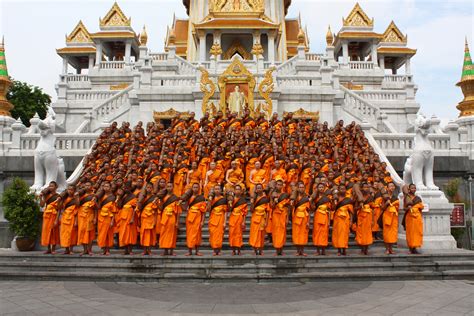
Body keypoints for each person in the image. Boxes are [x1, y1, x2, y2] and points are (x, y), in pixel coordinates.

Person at [184, 183, 207, 256]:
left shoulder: (201, 198)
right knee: (189, 234)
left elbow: (203, 211)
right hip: (190, 218)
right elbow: (184, 208)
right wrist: (183, 200)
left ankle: (197, 251)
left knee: (197, 235)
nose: (195, 189)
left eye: (197, 187)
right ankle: (190, 251)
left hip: (198, 217)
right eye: (194, 187)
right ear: (192, 188)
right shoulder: (189, 197)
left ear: (199, 188)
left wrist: (202, 221)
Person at [159, 183, 181, 256]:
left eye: (170, 186)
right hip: (164, 217)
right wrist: (160, 202)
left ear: (173, 187)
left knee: (172, 234)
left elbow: (178, 211)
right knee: (164, 234)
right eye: (168, 186)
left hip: (172, 217)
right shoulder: (163, 197)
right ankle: (165, 251)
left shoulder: (175, 198)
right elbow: (160, 208)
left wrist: (177, 222)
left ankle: (171, 251)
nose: (169, 188)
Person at [270, 179, 290, 256]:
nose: (279, 186)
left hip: (283, 215)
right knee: (275, 232)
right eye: (278, 184)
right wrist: (275, 201)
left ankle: (281, 249)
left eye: (280, 185)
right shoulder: (272, 195)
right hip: (275, 215)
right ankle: (276, 250)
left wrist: (287, 218)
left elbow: (288, 207)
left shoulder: (285, 195)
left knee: (282, 232)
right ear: (275, 185)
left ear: (282, 186)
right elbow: (271, 206)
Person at [39, 181, 60, 254]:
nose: (51, 187)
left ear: (56, 187)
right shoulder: (46, 195)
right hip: (47, 215)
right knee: (47, 231)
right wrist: (40, 197)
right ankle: (48, 249)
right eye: (50, 186)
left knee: (53, 232)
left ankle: (53, 249)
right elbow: (42, 205)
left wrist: (57, 219)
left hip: (54, 215)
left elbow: (59, 209)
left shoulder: (58, 196)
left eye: (52, 186)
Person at [76, 181, 97, 256]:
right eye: (86, 185)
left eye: (89, 185)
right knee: (82, 233)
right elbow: (78, 205)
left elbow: (95, 208)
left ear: (91, 186)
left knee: (90, 234)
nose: (87, 187)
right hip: (81, 216)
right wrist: (77, 197)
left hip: (90, 216)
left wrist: (95, 218)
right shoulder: (81, 195)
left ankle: (90, 250)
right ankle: (84, 250)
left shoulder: (93, 195)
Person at [249, 184, 270, 256]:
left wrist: (267, 221)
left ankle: (260, 250)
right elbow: (251, 210)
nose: (259, 189)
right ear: (256, 190)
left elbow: (267, 211)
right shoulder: (254, 198)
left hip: (262, 218)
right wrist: (252, 202)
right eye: (257, 188)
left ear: (262, 189)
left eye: (260, 188)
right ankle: (255, 250)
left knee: (261, 235)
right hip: (255, 218)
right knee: (254, 234)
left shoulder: (265, 198)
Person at [402, 184, 423, 254]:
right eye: (412, 188)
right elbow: (404, 208)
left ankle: (415, 247)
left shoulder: (418, 198)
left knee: (417, 232)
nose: (413, 189)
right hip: (410, 217)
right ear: (409, 189)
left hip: (417, 217)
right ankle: (411, 248)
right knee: (410, 233)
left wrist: (417, 209)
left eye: (414, 188)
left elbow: (421, 208)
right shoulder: (406, 198)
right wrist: (407, 208)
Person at [332, 185, 353, 256]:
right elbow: (333, 208)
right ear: (339, 190)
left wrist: (351, 221)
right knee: (338, 234)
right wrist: (335, 202)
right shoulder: (336, 198)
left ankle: (344, 250)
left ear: (346, 190)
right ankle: (338, 250)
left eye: (344, 189)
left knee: (345, 234)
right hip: (337, 219)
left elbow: (351, 212)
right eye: (341, 189)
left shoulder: (348, 199)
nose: (342, 190)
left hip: (346, 219)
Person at [353, 183, 374, 255]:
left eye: (367, 187)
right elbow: (355, 208)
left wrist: (373, 220)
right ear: (361, 188)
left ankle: (366, 249)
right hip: (361, 218)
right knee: (361, 234)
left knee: (367, 233)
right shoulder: (358, 197)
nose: (366, 188)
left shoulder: (370, 197)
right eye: (365, 187)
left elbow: (373, 209)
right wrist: (359, 207)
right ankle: (362, 249)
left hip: (368, 218)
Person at [312, 183, 332, 256]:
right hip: (317, 216)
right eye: (319, 187)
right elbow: (313, 208)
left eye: (322, 187)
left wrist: (329, 220)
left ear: (324, 189)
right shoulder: (315, 198)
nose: (321, 188)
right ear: (317, 188)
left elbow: (329, 210)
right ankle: (318, 251)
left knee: (324, 234)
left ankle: (323, 251)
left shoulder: (326, 198)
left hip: (325, 217)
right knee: (317, 233)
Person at [117, 183, 138, 255]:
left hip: (130, 217)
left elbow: (135, 209)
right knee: (124, 233)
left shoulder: (133, 196)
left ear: (130, 188)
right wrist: (119, 197)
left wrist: (132, 218)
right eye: (124, 188)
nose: (125, 189)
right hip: (123, 217)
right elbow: (119, 206)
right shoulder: (123, 196)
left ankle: (130, 250)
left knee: (130, 234)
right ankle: (125, 250)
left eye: (127, 188)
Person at [96, 182, 116, 256]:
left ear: (110, 188)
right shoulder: (100, 196)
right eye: (105, 186)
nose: (106, 188)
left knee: (108, 234)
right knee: (102, 234)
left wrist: (112, 221)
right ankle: (103, 249)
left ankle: (108, 250)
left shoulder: (113, 197)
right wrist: (96, 201)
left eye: (107, 186)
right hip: (101, 217)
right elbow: (98, 207)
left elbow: (114, 211)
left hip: (109, 218)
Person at [228, 185, 248, 256]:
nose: (237, 191)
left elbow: (245, 213)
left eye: (239, 189)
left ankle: (239, 250)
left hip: (240, 218)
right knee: (232, 234)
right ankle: (233, 250)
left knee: (239, 235)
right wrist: (230, 204)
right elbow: (229, 210)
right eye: (236, 189)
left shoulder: (243, 200)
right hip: (233, 217)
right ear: (234, 191)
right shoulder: (231, 199)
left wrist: (244, 221)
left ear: (241, 191)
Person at [59, 184, 79, 255]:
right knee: (64, 234)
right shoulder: (64, 198)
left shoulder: (75, 198)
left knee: (72, 234)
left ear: (74, 190)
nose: (70, 191)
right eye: (69, 189)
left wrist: (76, 197)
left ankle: (71, 249)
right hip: (65, 218)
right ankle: (66, 249)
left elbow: (77, 206)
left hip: (72, 218)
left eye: (71, 190)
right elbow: (60, 207)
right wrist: (60, 199)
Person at [208, 185, 228, 256]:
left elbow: (225, 211)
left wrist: (225, 222)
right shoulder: (211, 198)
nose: (217, 190)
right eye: (215, 189)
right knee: (213, 235)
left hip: (220, 218)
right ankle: (214, 250)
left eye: (218, 189)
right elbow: (208, 209)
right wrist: (209, 201)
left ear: (221, 190)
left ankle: (218, 250)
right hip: (213, 218)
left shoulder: (223, 199)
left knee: (220, 235)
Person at [292, 182, 310, 256]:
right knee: (296, 234)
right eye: (300, 187)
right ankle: (297, 251)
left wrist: (308, 221)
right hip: (296, 217)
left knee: (303, 234)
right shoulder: (295, 198)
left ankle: (302, 251)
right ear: (298, 188)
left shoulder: (306, 198)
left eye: (303, 187)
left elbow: (308, 210)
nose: (301, 188)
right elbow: (291, 207)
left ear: (305, 189)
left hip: (304, 218)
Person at [382, 182, 398, 254]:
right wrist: (386, 203)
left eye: (393, 186)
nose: (392, 187)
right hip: (387, 215)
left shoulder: (395, 197)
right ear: (387, 188)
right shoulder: (385, 197)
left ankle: (391, 248)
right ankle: (386, 249)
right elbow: (382, 208)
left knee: (392, 233)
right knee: (386, 233)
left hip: (394, 216)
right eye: (390, 186)